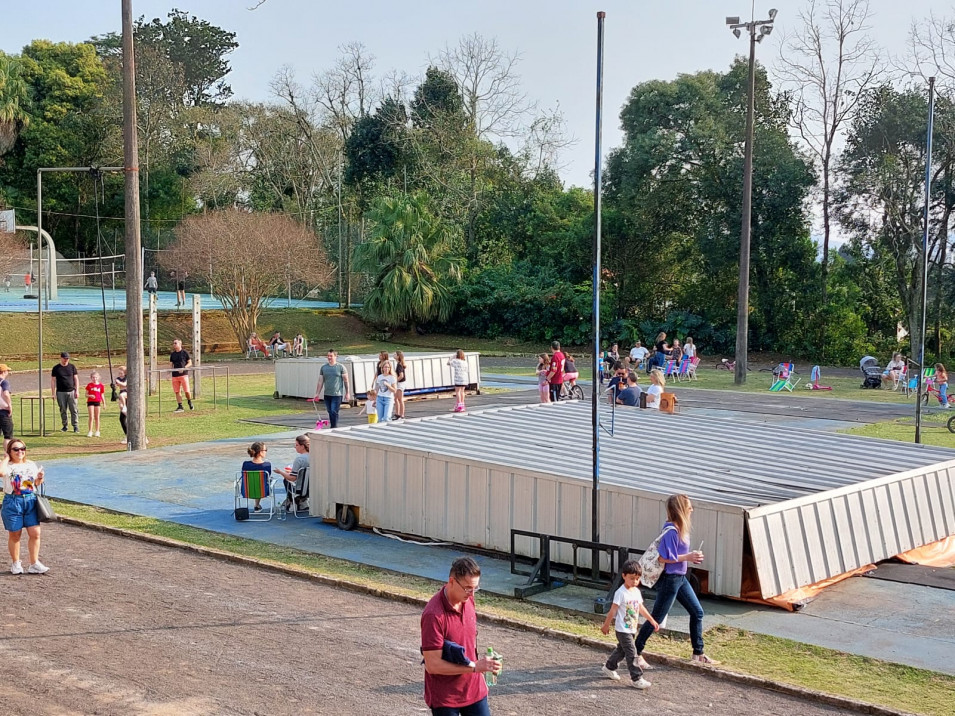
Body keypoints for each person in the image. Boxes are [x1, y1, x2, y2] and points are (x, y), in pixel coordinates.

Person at [634, 494, 719, 666]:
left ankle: (698, 653)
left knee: (697, 612)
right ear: (681, 510)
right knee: (656, 617)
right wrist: (689, 556)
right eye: (689, 507)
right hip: (671, 579)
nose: (692, 510)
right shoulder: (672, 531)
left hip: (679, 578)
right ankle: (635, 652)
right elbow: (663, 558)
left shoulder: (678, 529)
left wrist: (689, 557)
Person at [420, 557, 501, 715]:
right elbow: (432, 665)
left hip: (474, 690)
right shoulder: (433, 615)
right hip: (446, 698)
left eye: (475, 588)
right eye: (467, 588)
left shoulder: (468, 600)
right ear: (451, 581)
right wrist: (474, 667)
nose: (471, 594)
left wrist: (486, 663)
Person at [600, 559, 658, 689]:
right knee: (632, 653)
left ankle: (609, 667)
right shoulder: (620, 593)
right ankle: (636, 678)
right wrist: (606, 625)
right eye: (632, 578)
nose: (635, 582)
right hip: (622, 629)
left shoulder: (636, 592)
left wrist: (651, 620)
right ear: (624, 576)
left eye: (637, 579)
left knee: (621, 650)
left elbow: (641, 608)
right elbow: (612, 611)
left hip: (631, 628)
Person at [1, 439, 48, 574]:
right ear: (10, 451)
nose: (20, 451)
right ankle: (16, 563)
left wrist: (39, 477)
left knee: (35, 533)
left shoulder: (31, 464)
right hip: (13, 501)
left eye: (23, 448)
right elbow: (1, 473)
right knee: (15, 534)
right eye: (16, 449)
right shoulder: (7, 465)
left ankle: (34, 563)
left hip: (30, 500)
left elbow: (36, 484)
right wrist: (5, 459)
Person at [313, 349, 350, 428]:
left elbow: (346, 381)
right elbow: (320, 381)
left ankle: (334, 427)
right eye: (328, 356)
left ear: (336, 356)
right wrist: (317, 393)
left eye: (331, 356)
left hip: (337, 394)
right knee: (330, 411)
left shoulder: (341, 367)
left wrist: (347, 393)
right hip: (327, 394)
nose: (329, 357)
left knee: (334, 411)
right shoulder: (324, 367)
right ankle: (333, 426)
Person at [276, 434, 310, 511]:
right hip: (312, 488)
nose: (295, 447)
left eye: (297, 445)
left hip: (300, 489)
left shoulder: (299, 459)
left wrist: (281, 472)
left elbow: (292, 478)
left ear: (302, 446)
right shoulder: (314, 456)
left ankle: (292, 502)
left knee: (286, 480)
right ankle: (303, 502)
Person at [51, 351, 79, 433]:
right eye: (64, 358)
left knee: (74, 409)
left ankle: (75, 426)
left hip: (71, 391)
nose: (66, 360)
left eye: (67, 358)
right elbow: (53, 380)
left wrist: (77, 390)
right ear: (61, 358)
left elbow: (76, 379)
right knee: (63, 409)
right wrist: (53, 393)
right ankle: (65, 425)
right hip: (60, 392)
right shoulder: (56, 368)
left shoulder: (72, 367)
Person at [241, 441, 272, 513]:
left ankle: (257, 505)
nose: (266, 452)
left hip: (247, 491)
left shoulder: (245, 464)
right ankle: (257, 505)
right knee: (261, 483)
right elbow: (267, 478)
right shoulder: (267, 465)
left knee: (255, 482)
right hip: (263, 491)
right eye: (265, 450)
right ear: (260, 452)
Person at [169, 338, 194, 412]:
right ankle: (180, 406)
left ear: (180, 344)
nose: (174, 344)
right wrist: (168, 373)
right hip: (175, 375)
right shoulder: (172, 354)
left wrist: (184, 368)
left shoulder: (184, 353)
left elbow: (190, 363)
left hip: (183, 375)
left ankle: (189, 401)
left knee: (187, 391)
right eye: (173, 343)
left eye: (175, 343)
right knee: (177, 391)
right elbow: (171, 365)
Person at [85, 371, 105, 437]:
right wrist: (90, 396)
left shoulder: (101, 385)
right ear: (91, 378)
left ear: (98, 378)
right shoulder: (89, 385)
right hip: (90, 402)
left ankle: (97, 431)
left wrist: (104, 403)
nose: (94, 379)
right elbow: (86, 394)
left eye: (96, 377)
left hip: (97, 402)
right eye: (93, 377)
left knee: (97, 417)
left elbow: (102, 394)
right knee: (91, 416)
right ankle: (90, 431)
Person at [0, 364, 13, 450]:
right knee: (8, 435)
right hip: (3, 411)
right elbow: (5, 393)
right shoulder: (4, 382)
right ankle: (7, 455)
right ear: (4, 372)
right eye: (7, 371)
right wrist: (9, 405)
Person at [115, 365, 129, 443]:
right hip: (122, 393)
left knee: (121, 395)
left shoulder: (126, 378)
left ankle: (142, 436)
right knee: (122, 417)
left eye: (121, 373)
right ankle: (127, 435)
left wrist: (119, 383)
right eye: (119, 373)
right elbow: (117, 386)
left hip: (126, 394)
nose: (120, 374)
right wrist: (114, 387)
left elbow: (124, 385)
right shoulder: (118, 378)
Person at [394, 350, 407, 420]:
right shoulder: (398, 364)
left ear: (398, 356)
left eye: (395, 354)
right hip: (399, 383)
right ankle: (397, 414)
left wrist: (395, 381)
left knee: (400, 399)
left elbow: (401, 375)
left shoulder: (399, 365)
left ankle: (402, 415)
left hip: (400, 383)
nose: (393, 355)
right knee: (395, 398)